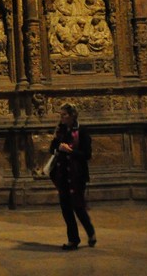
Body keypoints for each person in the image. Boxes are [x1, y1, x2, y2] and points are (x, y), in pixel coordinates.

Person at [49, 103, 96, 250]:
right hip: (63, 174)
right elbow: (52, 149)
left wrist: (70, 151)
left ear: (72, 115)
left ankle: (90, 232)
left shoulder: (82, 132)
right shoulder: (60, 131)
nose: (61, 117)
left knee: (78, 206)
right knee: (66, 209)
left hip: (77, 175)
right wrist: (58, 147)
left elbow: (87, 154)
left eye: (64, 115)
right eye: (60, 115)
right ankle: (73, 239)